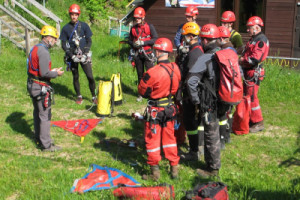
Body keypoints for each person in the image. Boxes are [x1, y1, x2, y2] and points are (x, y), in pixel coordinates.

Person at [138, 38, 181, 180]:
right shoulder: (176, 68)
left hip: (155, 111)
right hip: (170, 109)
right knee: (170, 139)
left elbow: (142, 92)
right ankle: (174, 169)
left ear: (157, 51)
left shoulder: (153, 72)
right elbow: (176, 89)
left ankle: (154, 172)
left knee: (152, 141)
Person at [186, 24, 224, 178]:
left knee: (210, 133)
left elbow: (191, 82)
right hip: (223, 99)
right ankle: (212, 164)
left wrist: (196, 100)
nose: (201, 42)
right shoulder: (225, 54)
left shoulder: (205, 58)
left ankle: (212, 169)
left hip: (209, 101)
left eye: (202, 39)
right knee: (214, 130)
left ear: (206, 40)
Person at [27, 25, 64, 152]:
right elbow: (44, 73)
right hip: (40, 86)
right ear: (47, 37)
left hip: (33, 84)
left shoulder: (35, 48)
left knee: (37, 113)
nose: (54, 41)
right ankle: (46, 145)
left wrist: (50, 71)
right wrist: (56, 73)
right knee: (44, 115)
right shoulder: (43, 51)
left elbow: (39, 70)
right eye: (54, 39)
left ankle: (40, 137)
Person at [60, 4, 97, 105]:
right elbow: (63, 44)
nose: (74, 16)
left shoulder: (84, 26)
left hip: (84, 55)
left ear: (78, 15)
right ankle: (79, 96)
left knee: (90, 76)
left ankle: (94, 96)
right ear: (70, 14)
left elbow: (89, 41)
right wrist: (71, 56)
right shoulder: (65, 28)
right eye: (72, 14)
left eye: (76, 14)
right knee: (75, 76)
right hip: (73, 55)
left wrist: (85, 53)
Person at [179, 22, 204, 161]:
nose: (184, 39)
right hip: (194, 92)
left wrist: (188, 95)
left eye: (185, 37)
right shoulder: (197, 50)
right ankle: (197, 147)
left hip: (191, 93)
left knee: (190, 121)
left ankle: (194, 151)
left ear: (190, 36)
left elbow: (190, 76)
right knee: (195, 121)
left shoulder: (194, 53)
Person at [239, 16, 269, 133]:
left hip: (253, 71)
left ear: (256, 27)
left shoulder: (261, 40)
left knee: (252, 98)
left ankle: (258, 122)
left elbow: (255, 58)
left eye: (249, 28)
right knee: (248, 96)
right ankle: (251, 119)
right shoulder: (254, 39)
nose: (247, 30)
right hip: (249, 72)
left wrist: (242, 60)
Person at [128, 7, 158, 102]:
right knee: (140, 75)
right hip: (138, 54)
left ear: (143, 17)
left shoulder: (149, 27)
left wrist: (143, 43)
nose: (137, 20)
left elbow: (155, 39)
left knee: (151, 74)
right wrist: (133, 44)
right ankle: (141, 93)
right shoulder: (133, 28)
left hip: (148, 53)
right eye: (136, 18)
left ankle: (152, 93)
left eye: (139, 18)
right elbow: (129, 40)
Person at [217, 26, 239, 149]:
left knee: (222, 115)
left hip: (226, 86)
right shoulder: (233, 50)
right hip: (233, 86)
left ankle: (222, 139)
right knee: (228, 113)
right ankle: (227, 136)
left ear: (221, 38)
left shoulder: (224, 52)